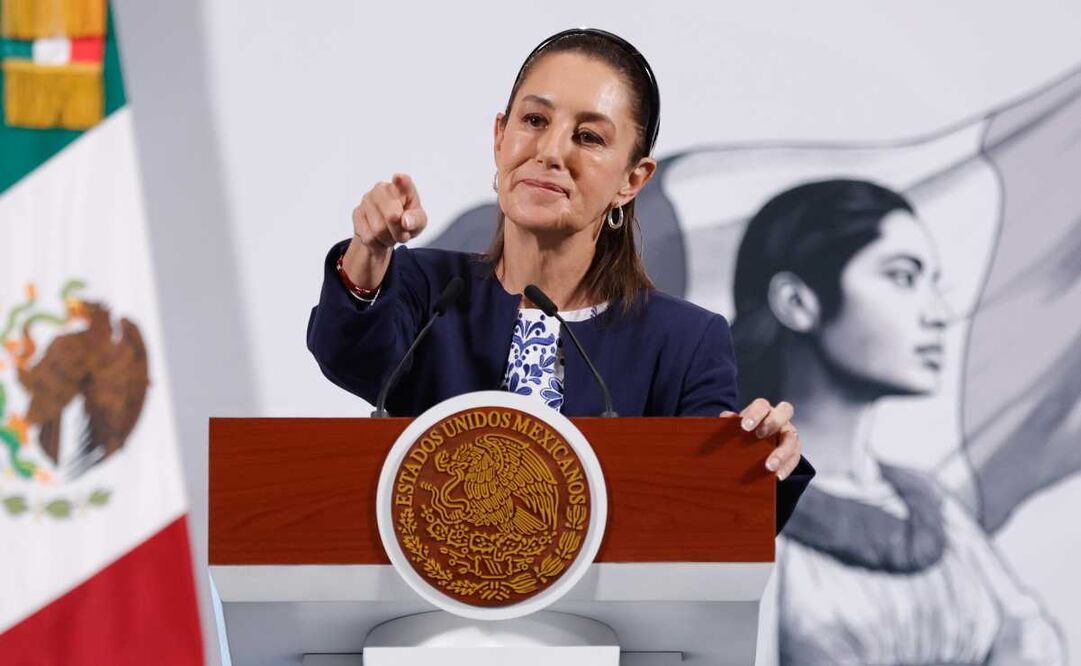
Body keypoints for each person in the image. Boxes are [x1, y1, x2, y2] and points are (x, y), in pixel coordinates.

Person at [306, 28, 814, 531]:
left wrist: (759, 460)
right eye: (534, 120)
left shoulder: (683, 340)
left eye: (588, 137)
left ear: (631, 180)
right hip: (430, 609)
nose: (550, 151)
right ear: (500, 136)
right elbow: (347, 352)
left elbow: (711, 516)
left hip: (595, 615)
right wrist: (369, 252)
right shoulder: (427, 291)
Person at [731, 179, 1064, 665]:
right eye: (903, 277)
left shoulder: (933, 510)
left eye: (934, 284)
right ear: (798, 303)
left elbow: (1031, 644)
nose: (939, 314)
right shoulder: (734, 504)